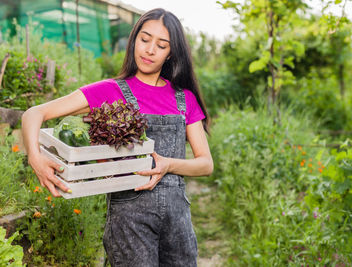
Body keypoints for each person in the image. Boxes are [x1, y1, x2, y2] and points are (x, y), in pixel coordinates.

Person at [21, 8, 213, 267]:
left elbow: (205, 164)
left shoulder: (184, 98)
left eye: (161, 45)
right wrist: (36, 157)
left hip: (177, 219)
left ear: (171, 53)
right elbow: (34, 113)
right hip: (129, 220)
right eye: (145, 39)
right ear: (134, 40)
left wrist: (168, 164)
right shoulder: (110, 91)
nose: (150, 50)